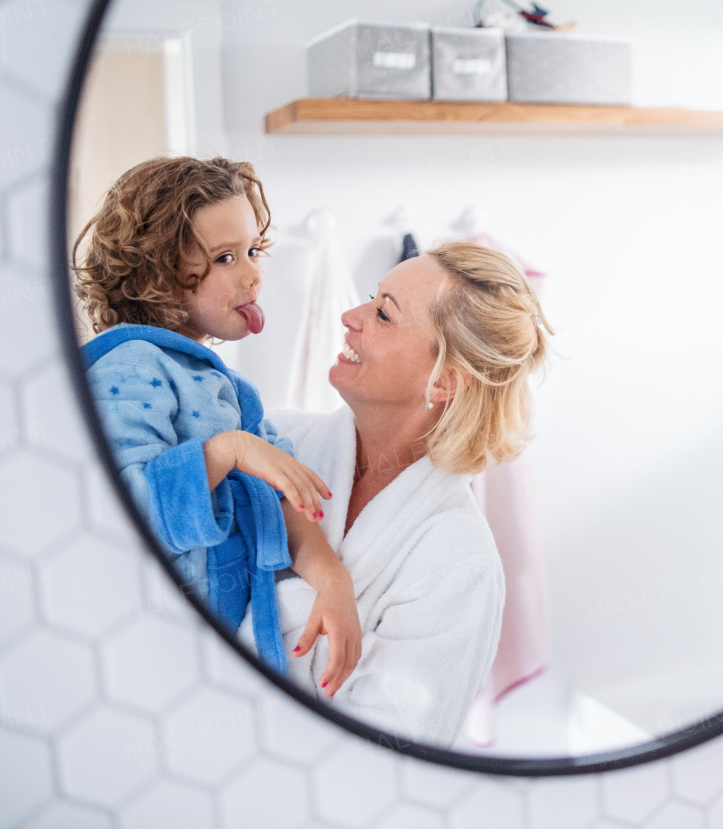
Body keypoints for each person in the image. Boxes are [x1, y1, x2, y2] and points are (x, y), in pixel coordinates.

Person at [243, 240, 553, 746]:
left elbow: (383, 759)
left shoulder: (458, 564)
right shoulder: (274, 439)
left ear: (443, 381)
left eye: (383, 314)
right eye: (372, 297)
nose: (349, 315)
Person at [72, 156, 361, 695]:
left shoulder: (227, 389)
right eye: (225, 258)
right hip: (148, 653)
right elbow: (120, 512)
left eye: (252, 251)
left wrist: (333, 580)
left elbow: (285, 494)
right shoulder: (129, 368)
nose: (252, 273)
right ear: (151, 276)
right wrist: (228, 451)